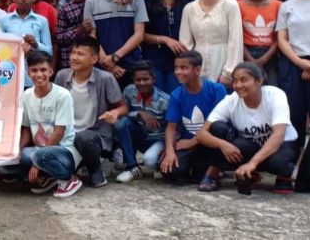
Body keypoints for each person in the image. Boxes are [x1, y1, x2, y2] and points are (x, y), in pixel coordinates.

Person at [196, 62, 297, 195]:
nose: (238, 85)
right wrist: (223, 144)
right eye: (235, 81)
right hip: (252, 146)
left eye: (244, 80)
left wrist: (252, 163)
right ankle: (248, 174)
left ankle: (283, 177)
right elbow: (201, 134)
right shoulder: (231, 100)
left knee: (279, 162)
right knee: (217, 128)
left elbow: (278, 135)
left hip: (280, 146)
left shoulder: (276, 95)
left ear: (259, 81)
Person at [55, 36, 127, 188]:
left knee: (84, 138)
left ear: (94, 59)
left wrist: (114, 113)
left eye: (80, 54)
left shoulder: (106, 79)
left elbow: (123, 107)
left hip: (95, 134)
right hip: (67, 134)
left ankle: (96, 171)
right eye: (73, 53)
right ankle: (83, 165)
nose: (74, 57)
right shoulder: (62, 76)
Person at [14, 51, 83, 197]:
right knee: (14, 157)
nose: (39, 74)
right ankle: (50, 176)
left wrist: (36, 164)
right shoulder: (26, 95)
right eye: (34, 70)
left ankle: (69, 178)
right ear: (28, 73)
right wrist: (17, 150)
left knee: (41, 157)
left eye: (43, 70)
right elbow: (26, 128)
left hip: (64, 151)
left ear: (51, 71)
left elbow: (59, 132)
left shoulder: (62, 95)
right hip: (39, 151)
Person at [159, 51, 227, 191]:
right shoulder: (176, 94)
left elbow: (218, 121)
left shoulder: (217, 89)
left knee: (220, 128)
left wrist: (195, 140)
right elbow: (171, 127)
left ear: (197, 70)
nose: (178, 72)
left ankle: (212, 171)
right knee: (170, 172)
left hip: (211, 141)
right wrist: (170, 151)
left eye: (183, 68)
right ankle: (195, 169)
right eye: (176, 68)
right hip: (188, 143)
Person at [83, 0, 148, 86]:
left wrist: (115, 57)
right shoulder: (91, 2)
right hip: (102, 68)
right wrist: (108, 64)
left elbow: (139, 34)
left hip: (132, 65)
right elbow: (92, 36)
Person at [179, 0, 243, 86]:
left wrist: (228, 73)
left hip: (223, 62)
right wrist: (190, 71)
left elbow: (236, 41)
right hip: (197, 69)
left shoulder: (230, 5)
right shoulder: (189, 8)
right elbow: (186, 44)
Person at [142, 0, 195, 93]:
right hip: (155, 60)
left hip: (180, 59)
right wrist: (165, 40)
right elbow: (140, 34)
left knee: (177, 97)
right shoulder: (146, 2)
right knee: (159, 101)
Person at [275, 0, 310, 160]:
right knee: (295, 113)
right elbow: (282, 39)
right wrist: (301, 63)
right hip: (293, 63)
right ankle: (292, 161)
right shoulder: (287, 6)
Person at [113, 61, 170, 183]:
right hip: (139, 135)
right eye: (138, 80)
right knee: (121, 123)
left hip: (157, 139)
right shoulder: (129, 91)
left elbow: (174, 127)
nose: (142, 83)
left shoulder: (165, 100)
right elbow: (124, 112)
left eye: (146, 79)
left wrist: (168, 147)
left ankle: (157, 163)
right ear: (133, 80)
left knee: (150, 160)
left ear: (153, 79)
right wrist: (138, 114)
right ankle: (132, 167)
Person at [0, 0, 52, 88]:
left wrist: (36, 45)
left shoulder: (41, 21)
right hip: (9, 73)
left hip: (33, 75)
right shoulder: (4, 20)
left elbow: (49, 51)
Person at [239, 0, 281, 84]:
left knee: (272, 90)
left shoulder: (278, 5)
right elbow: (237, 37)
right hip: (246, 53)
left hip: (270, 55)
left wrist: (263, 59)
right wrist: (251, 60)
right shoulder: (238, 5)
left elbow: (280, 38)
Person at [56, 0, 94, 69]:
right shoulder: (65, 9)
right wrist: (79, 30)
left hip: (96, 61)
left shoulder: (99, 0)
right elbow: (59, 39)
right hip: (71, 64)